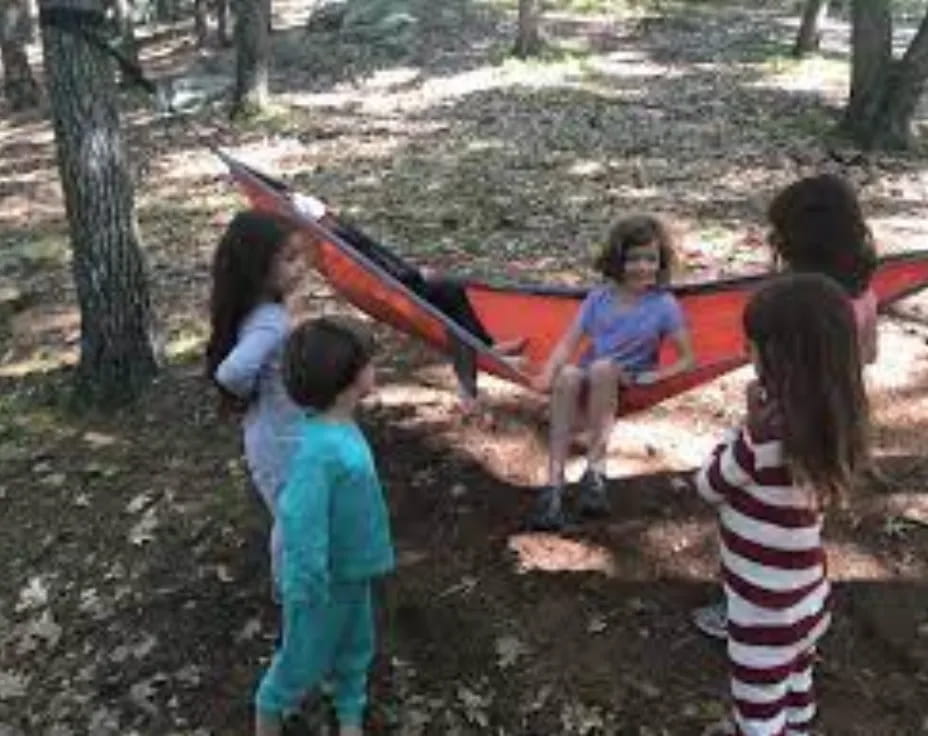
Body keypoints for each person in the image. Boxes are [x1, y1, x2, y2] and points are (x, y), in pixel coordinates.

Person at [693, 172, 879, 639]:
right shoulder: (861, 294)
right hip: (835, 414)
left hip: (782, 418)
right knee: (803, 511)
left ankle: (749, 603)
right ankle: (796, 598)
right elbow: (869, 354)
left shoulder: (798, 300)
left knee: (760, 508)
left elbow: (711, 486)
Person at [696, 274, 870, 736]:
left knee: (757, 711)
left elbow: (709, 485)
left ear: (778, 356)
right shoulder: (832, 420)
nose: (744, 354)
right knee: (797, 684)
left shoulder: (765, 439)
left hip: (761, 610)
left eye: (751, 346)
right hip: (807, 597)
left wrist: (744, 437)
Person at [254, 318, 394, 736]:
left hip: (353, 572)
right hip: (322, 584)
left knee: (356, 647)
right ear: (346, 378)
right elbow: (301, 521)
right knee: (300, 661)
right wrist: (305, 586)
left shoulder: (341, 425)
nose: (375, 367)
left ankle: (349, 712)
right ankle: (268, 711)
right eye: (369, 361)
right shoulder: (318, 453)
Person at [527, 215, 694, 531]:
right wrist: (547, 373)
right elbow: (568, 342)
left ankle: (596, 472)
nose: (643, 267)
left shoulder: (664, 304)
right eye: (634, 259)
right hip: (593, 377)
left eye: (651, 259)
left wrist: (658, 377)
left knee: (603, 367)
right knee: (568, 376)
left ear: (661, 262)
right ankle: (553, 490)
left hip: (630, 379)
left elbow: (688, 359)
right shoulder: (598, 298)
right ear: (618, 259)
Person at [290, 193, 525, 414]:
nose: (331, 216)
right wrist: (415, 276)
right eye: (325, 215)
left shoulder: (338, 241)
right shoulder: (338, 242)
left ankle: (481, 357)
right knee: (451, 298)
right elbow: (376, 269)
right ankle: (480, 362)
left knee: (453, 305)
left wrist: (413, 272)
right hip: (397, 289)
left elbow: (378, 261)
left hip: (396, 283)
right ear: (319, 221)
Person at [205, 211, 309, 587]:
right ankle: (292, 589)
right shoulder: (270, 321)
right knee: (293, 519)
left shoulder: (262, 310)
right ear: (257, 266)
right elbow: (232, 372)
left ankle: (298, 579)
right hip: (280, 441)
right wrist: (251, 392)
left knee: (295, 512)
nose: (301, 267)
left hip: (276, 431)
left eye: (300, 256)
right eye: (289, 259)